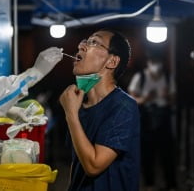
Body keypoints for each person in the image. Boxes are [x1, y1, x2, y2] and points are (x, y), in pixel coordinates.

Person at [59, 29, 140, 191]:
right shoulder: (79, 105)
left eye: (94, 42)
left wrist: (70, 114)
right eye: (85, 41)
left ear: (112, 62)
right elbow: (77, 162)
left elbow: (94, 166)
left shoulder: (124, 106)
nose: (81, 46)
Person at [128, 54, 177, 191]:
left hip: (163, 118)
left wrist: (167, 96)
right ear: (148, 63)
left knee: (167, 154)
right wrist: (145, 99)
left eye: (158, 62)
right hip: (146, 119)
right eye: (153, 62)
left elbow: (173, 99)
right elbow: (131, 98)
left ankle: (171, 184)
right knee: (147, 154)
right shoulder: (141, 77)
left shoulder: (168, 77)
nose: (156, 65)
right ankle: (150, 184)